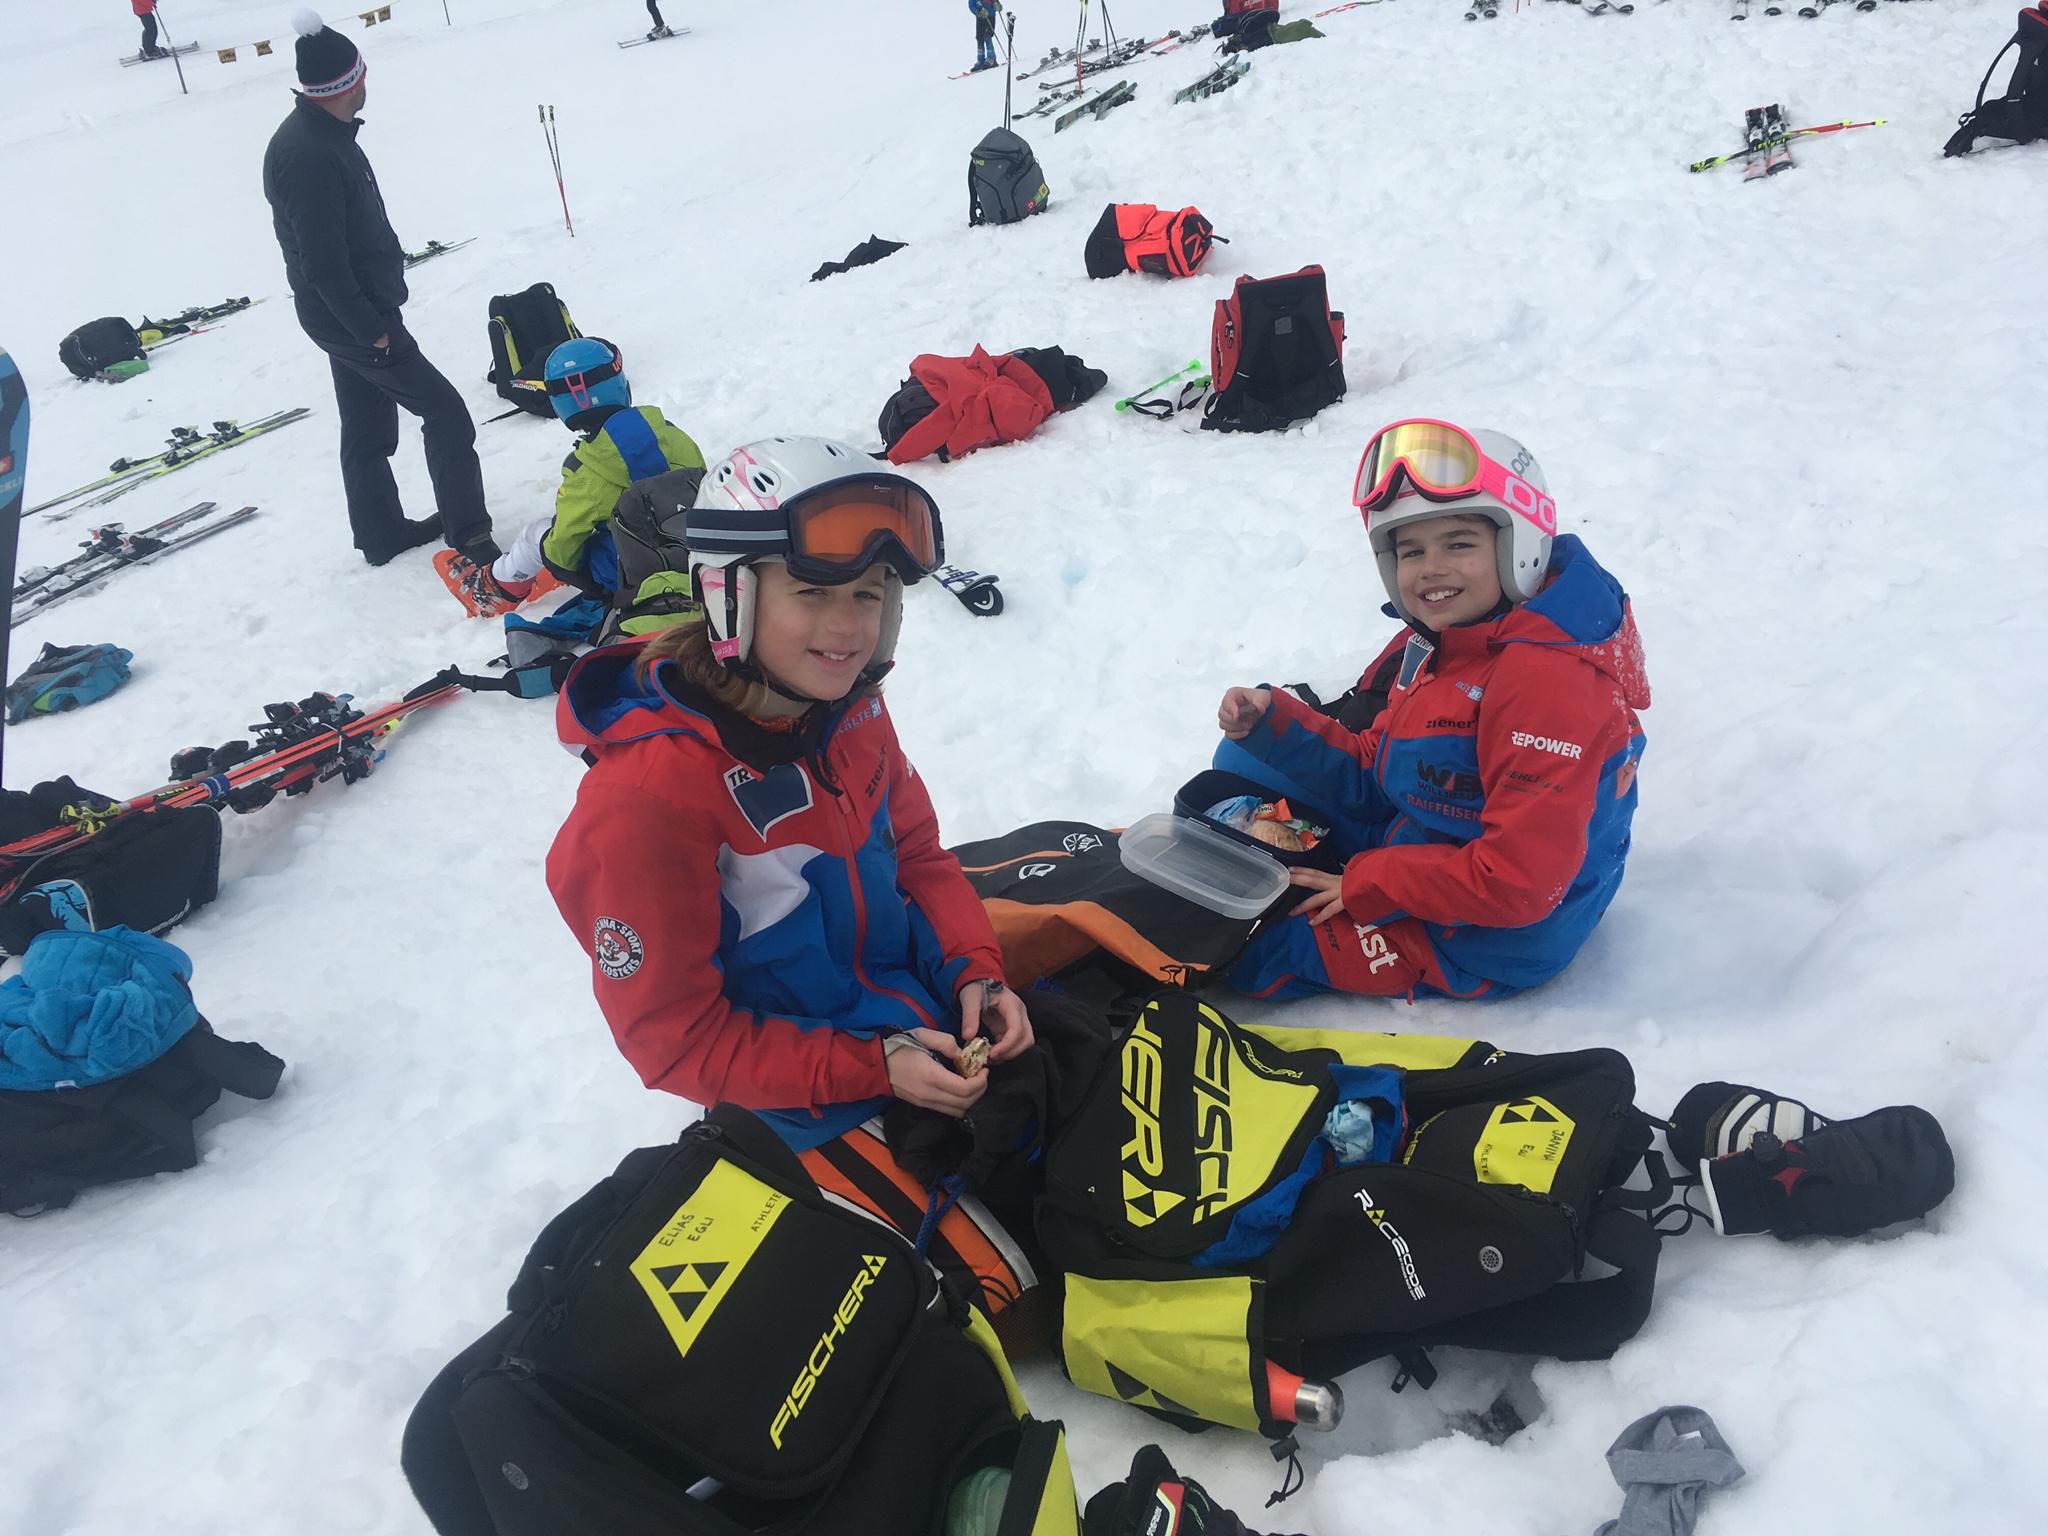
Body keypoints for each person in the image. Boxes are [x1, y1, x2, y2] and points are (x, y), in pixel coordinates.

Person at [545, 436, 1035, 1148]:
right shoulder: (647, 800)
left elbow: (918, 856)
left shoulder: (847, 710)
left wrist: (973, 972)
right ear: (729, 596)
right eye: (811, 592)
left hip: (918, 1020)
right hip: (798, 1100)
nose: (849, 628)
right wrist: (871, 1066)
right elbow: (674, 1041)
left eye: (868, 594)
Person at [1215, 419, 1649, 1001]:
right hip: (1428, 838)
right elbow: (1383, 769)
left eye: (1459, 544)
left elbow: (1519, 884)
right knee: (1242, 762)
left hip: (1482, 939)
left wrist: (1367, 883)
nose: (1430, 568)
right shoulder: (1447, 640)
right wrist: (1273, 724)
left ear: (1518, 545)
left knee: (1239, 941)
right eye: (1411, 550)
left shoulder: (1547, 686)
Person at [261, 13, 499, 570]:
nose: (368, 79)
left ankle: (381, 532)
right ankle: (472, 538)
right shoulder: (309, 154)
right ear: (349, 82)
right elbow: (322, 262)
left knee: (367, 425)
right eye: (362, 72)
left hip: (347, 311)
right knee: (445, 412)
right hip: (353, 317)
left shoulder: (323, 135)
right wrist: (371, 329)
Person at [434, 337, 706, 626]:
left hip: (634, 575)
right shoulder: (673, 435)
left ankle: (494, 590)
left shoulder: (584, 473)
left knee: (537, 534)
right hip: (700, 557)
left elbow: (562, 555)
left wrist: (555, 553)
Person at [969, 0, 1002, 71]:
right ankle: (980, 60)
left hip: (990, 16)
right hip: (980, 17)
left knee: (987, 36)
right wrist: (978, 12)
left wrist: (997, 5)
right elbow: (971, 5)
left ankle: (991, 59)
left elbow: (995, 2)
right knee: (979, 38)